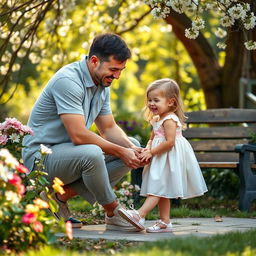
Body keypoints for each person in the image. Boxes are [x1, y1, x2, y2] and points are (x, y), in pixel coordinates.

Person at [22, 33, 146, 231]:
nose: (117, 76)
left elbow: (108, 128)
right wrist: (121, 151)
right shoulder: (68, 80)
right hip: (41, 157)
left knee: (132, 145)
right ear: (95, 61)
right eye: (113, 69)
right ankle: (113, 211)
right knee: (93, 153)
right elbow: (78, 135)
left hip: (69, 153)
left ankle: (57, 198)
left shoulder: (102, 84)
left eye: (121, 70)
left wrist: (131, 149)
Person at [118, 78, 208, 233]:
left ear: (171, 102)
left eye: (156, 100)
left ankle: (139, 215)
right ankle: (165, 222)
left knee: (157, 188)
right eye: (149, 100)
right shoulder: (157, 119)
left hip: (169, 157)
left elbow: (170, 142)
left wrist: (152, 152)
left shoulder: (170, 119)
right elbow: (152, 138)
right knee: (162, 190)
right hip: (160, 157)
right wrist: (147, 148)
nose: (151, 103)